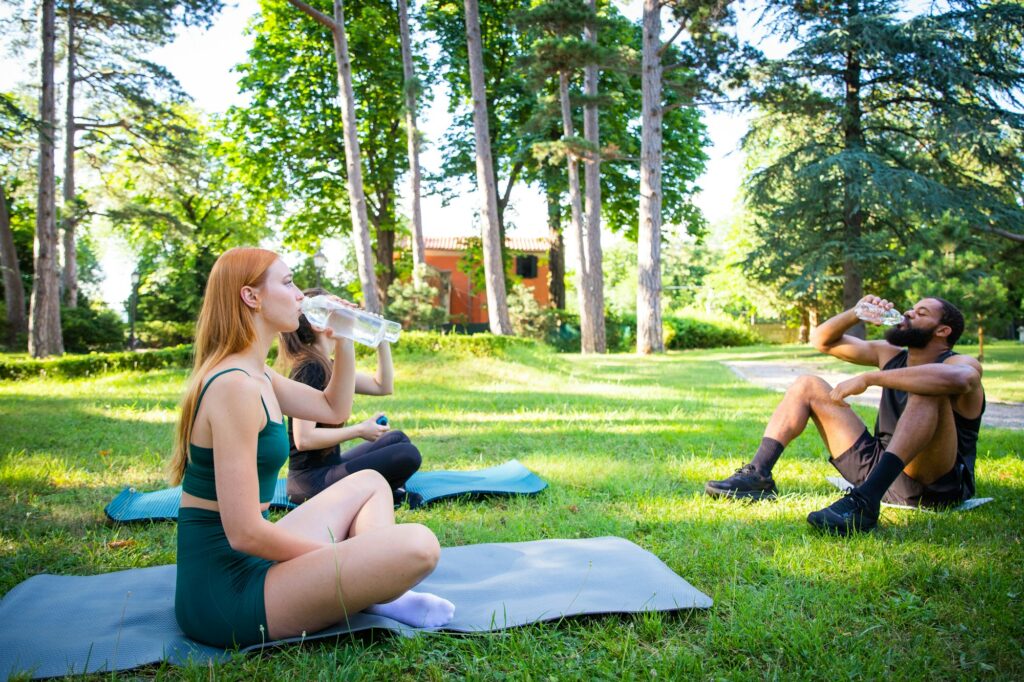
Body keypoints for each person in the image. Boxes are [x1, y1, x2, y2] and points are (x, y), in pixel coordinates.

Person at [170, 247, 454, 648]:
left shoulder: (257, 372)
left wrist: (346, 335)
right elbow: (245, 534)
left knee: (371, 481)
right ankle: (371, 586)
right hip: (226, 596)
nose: (300, 294)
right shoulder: (234, 386)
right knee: (419, 546)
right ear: (252, 297)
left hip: (250, 565)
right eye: (288, 283)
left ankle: (369, 590)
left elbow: (333, 407)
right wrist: (337, 558)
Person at [705, 295, 985, 535]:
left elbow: (961, 379)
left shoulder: (957, 362)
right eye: (911, 308)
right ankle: (758, 476)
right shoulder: (889, 354)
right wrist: (856, 312)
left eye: (921, 312)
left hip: (934, 484)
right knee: (807, 385)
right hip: (880, 467)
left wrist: (871, 378)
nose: (909, 312)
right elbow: (822, 340)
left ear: (943, 331)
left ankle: (864, 503)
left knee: (930, 386)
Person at [278, 288, 422, 507]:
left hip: (330, 467)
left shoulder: (329, 365)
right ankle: (388, 494)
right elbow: (304, 439)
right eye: (339, 311)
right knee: (407, 454)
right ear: (320, 324)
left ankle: (387, 492)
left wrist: (381, 338)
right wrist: (359, 430)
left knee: (397, 439)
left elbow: (382, 386)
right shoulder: (309, 368)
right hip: (310, 483)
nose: (347, 314)